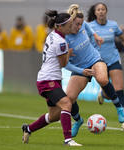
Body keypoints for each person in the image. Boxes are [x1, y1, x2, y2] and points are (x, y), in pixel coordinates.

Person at [64, 4, 124, 137]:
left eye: (81, 24)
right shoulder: (64, 39)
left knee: (103, 79)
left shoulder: (83, 26)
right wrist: (82, 72)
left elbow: (87, 26)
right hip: (80, 68)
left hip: (94, 59)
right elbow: (65, 65)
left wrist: (96, 35)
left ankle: (119, 108)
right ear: (69, 23)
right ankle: (78, 120)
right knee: (69, 98)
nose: (79, 27)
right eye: (76, 25)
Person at [21, 10, 82, 146]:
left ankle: (28, 128)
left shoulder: (52, 35)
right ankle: (68, 140)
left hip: (48, 79)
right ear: (60, 26)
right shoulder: (60, 42)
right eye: (70, 25)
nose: (72, 27)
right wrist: (67, 53)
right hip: (48, 80)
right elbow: (64, 64)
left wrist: (66, 53)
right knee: (67, 103)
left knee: (54, 115)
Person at [87, 2, 124, 131]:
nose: (101, 11)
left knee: (119, 89)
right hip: (98, 62)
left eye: (103, 9)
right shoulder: (90, 27)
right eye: (98, 10)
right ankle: (103, 94)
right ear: (95, 13)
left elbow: (123, 40)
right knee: (110, 94)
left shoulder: (113, 25)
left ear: (106, 11)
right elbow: (85, 43)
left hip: (114, 59)